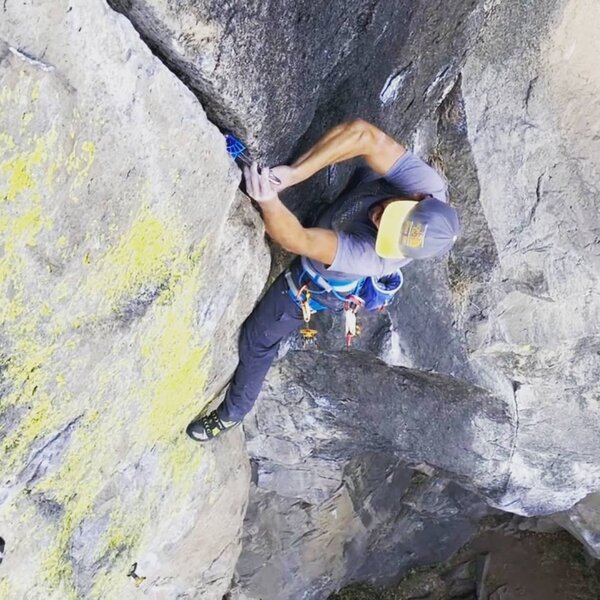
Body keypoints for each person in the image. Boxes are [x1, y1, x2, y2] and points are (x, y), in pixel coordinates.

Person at [187, 119, 459, 442]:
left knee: (258, 340)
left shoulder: (374, 256)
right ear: (419, 197)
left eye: (389, 230)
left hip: (315, 277)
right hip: (350, 205)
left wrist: (269, 200)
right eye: (392, 213)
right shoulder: (429, 188)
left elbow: (297, 239)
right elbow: (363, 134)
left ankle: (232, 414)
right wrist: (294, 174)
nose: (380, 218)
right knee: (368, 158)